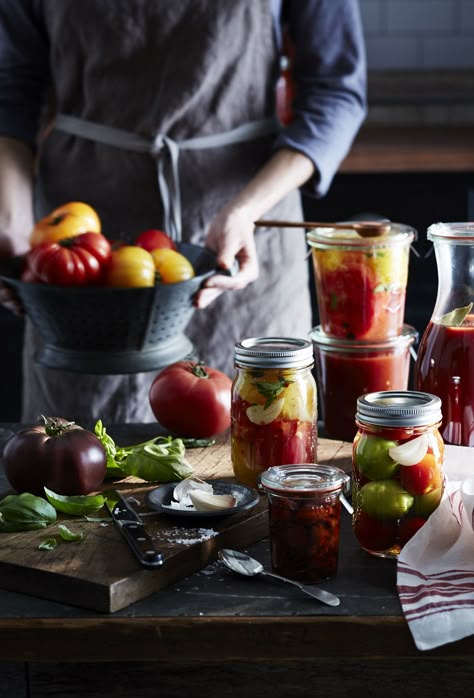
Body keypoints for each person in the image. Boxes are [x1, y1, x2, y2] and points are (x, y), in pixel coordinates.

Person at [0, 0, 366, 423]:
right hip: (83, 249)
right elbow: (9, 88)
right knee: (78, 462)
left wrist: (246, 209)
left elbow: (336, 91)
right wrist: (11, 220)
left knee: (260, 443)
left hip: (244, 232)